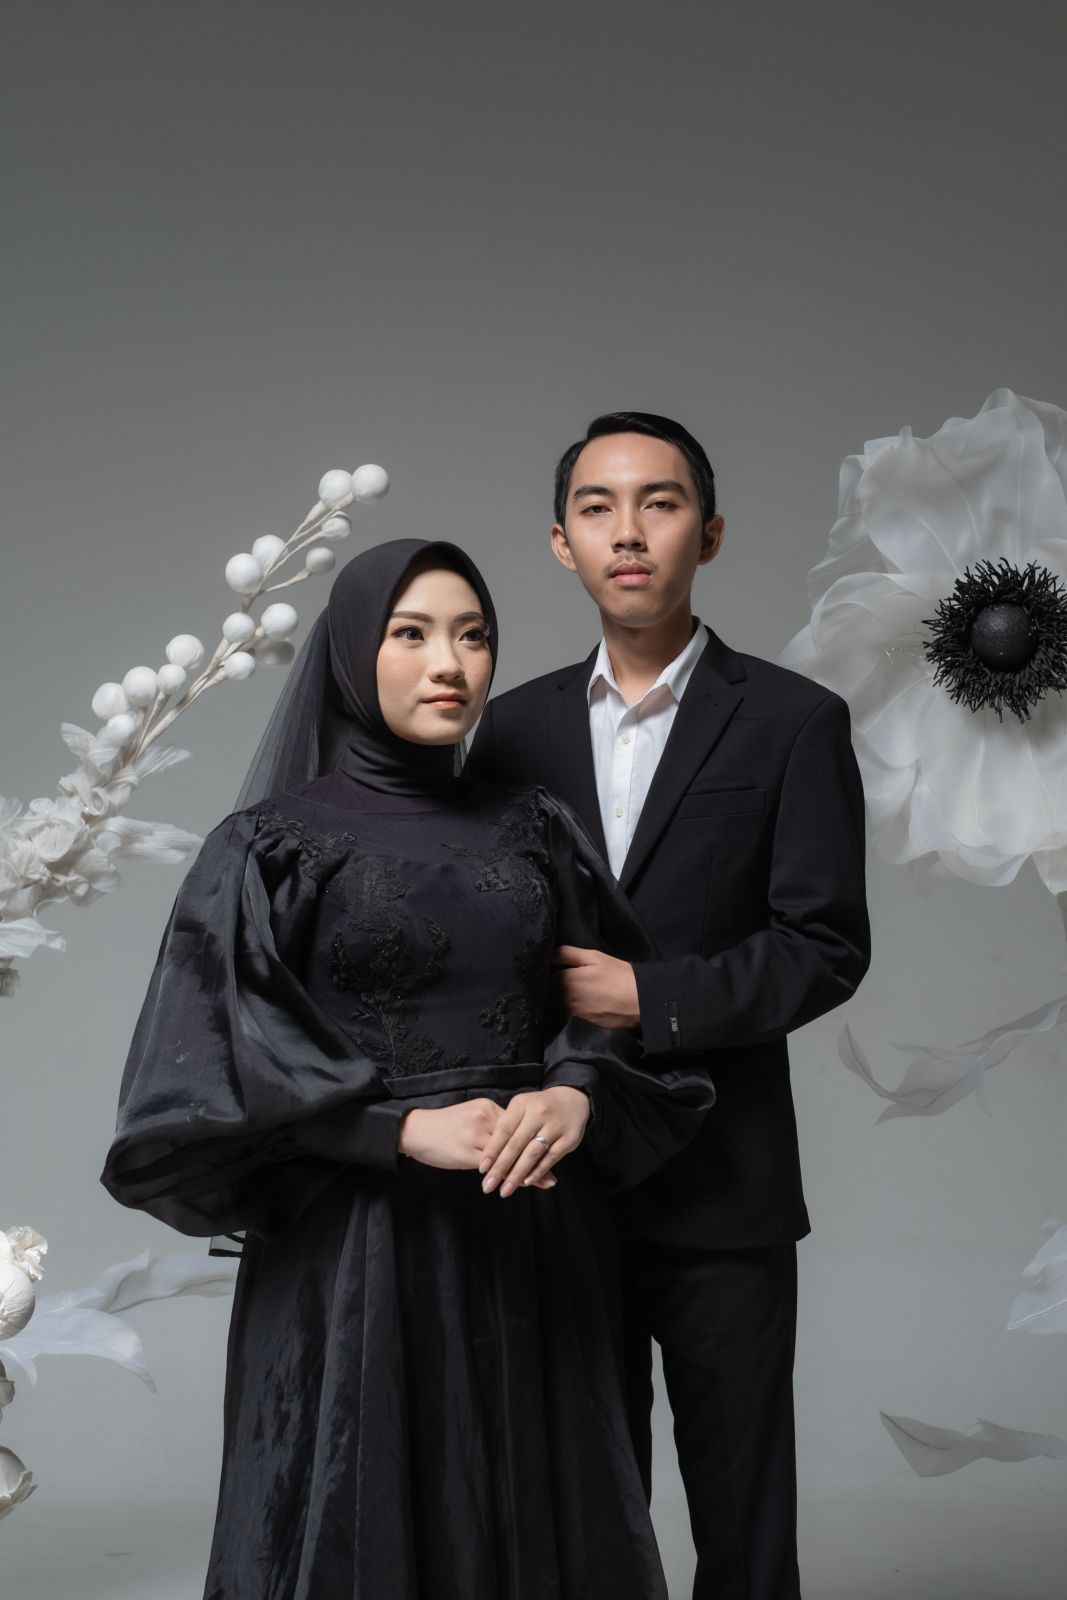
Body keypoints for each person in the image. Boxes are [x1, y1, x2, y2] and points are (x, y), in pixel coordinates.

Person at [101, 537, 715, 1600]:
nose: (449, 663)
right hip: (356, 1253)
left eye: (472, 636)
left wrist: (572, 1092)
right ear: (352, 654)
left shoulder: (536, 827)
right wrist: (398, 1130)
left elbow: (601, 999)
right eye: (412, 634)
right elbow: (208, 1067)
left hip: (531, 1234)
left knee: (544, 1517)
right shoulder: (268, 847)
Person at [468, 413, 872, 1600]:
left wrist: (647, 995)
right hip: (556, 1186)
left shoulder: (793, 720)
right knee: (577, 1516)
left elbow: (824, 948)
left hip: (724, 1187)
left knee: (743, 1523)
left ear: (710, 531)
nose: (628, 532)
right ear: (560, 542)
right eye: (596, 507)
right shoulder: (510, 731)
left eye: (659, 501)